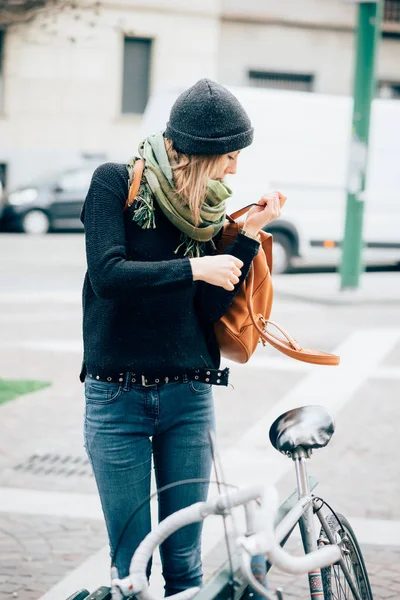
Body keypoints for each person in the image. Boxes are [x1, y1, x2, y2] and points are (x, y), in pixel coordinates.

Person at [80, 78, 283, 596]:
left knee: (185, 560)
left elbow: (208, 312)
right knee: (130, 565)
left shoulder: (210, 215)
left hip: (189, 398)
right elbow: (108, 276)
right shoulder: (113, 184)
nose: (235, 169)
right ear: (199, 151)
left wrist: (249, 238)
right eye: (230, 156)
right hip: (117, 395)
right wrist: (194, 269)